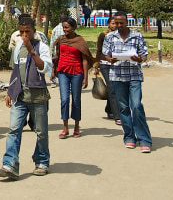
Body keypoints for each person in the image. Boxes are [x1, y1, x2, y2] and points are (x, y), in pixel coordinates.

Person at [0, 15, 52, 180]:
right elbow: (14, 71)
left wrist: (32, 52)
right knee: (14, 130)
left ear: (34, 31)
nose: (24, 35)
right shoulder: (18, 47)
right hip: (20, 96)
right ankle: (10, 164)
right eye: (21, 32)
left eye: (27, 32)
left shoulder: (42, 47)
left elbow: (44, 67)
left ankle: (41, 162)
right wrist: (9, 92)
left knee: (41, 132)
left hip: (38, 97)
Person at [102, 11, 152, 153]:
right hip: (117, 76)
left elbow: (144, 54)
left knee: (136, 106)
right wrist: (109, 59)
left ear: (126, 22)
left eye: (121, 23)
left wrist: (140, 58)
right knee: (123, 107)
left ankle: (144, 139)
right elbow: (105, 53)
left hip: (134, 75)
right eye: (116, 23)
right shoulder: (110, 37)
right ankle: (129, 136)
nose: (119, 25)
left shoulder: (137, 36)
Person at [52, 17, 94, 138]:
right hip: (63, 72)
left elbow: (85, 60)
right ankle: (65, 128)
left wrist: (86, 78)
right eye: (63, 27)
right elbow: (57, 55)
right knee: (64, 99)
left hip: (77, 72)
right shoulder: (60, 40)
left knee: (76, 100)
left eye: (67, 27)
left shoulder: (80, 41)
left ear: (74, 27)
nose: (65, 30)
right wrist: (53, 71)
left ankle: (76, 126)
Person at [95, 17, 121, 124]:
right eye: (113, 23)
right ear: (108, 24)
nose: (114, 25)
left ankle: (109, 109)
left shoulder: (120, 35)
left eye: (116, 24)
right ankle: (117, 116)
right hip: (104, 64)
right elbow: (99, 50)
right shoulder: (103, 35)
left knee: (116, 87)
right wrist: (96, 66)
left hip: (116, 64)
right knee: (111, 86)